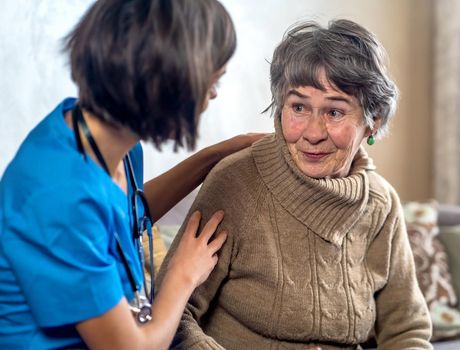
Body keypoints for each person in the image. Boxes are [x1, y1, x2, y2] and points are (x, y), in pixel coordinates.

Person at [0, 0, 262, 349]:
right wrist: (183, 273)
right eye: (211, 82)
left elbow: (121, 215)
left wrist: (219, 153)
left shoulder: (95, 134)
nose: (212, 95)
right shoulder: (60, 196)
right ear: (168, 84)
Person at [158, 20, 433, 349]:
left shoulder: (381, 204)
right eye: (298, 107)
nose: (313, 132)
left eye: (334, 112)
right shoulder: (235, 182)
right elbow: (172, 315)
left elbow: (408, 330)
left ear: (371, 123)